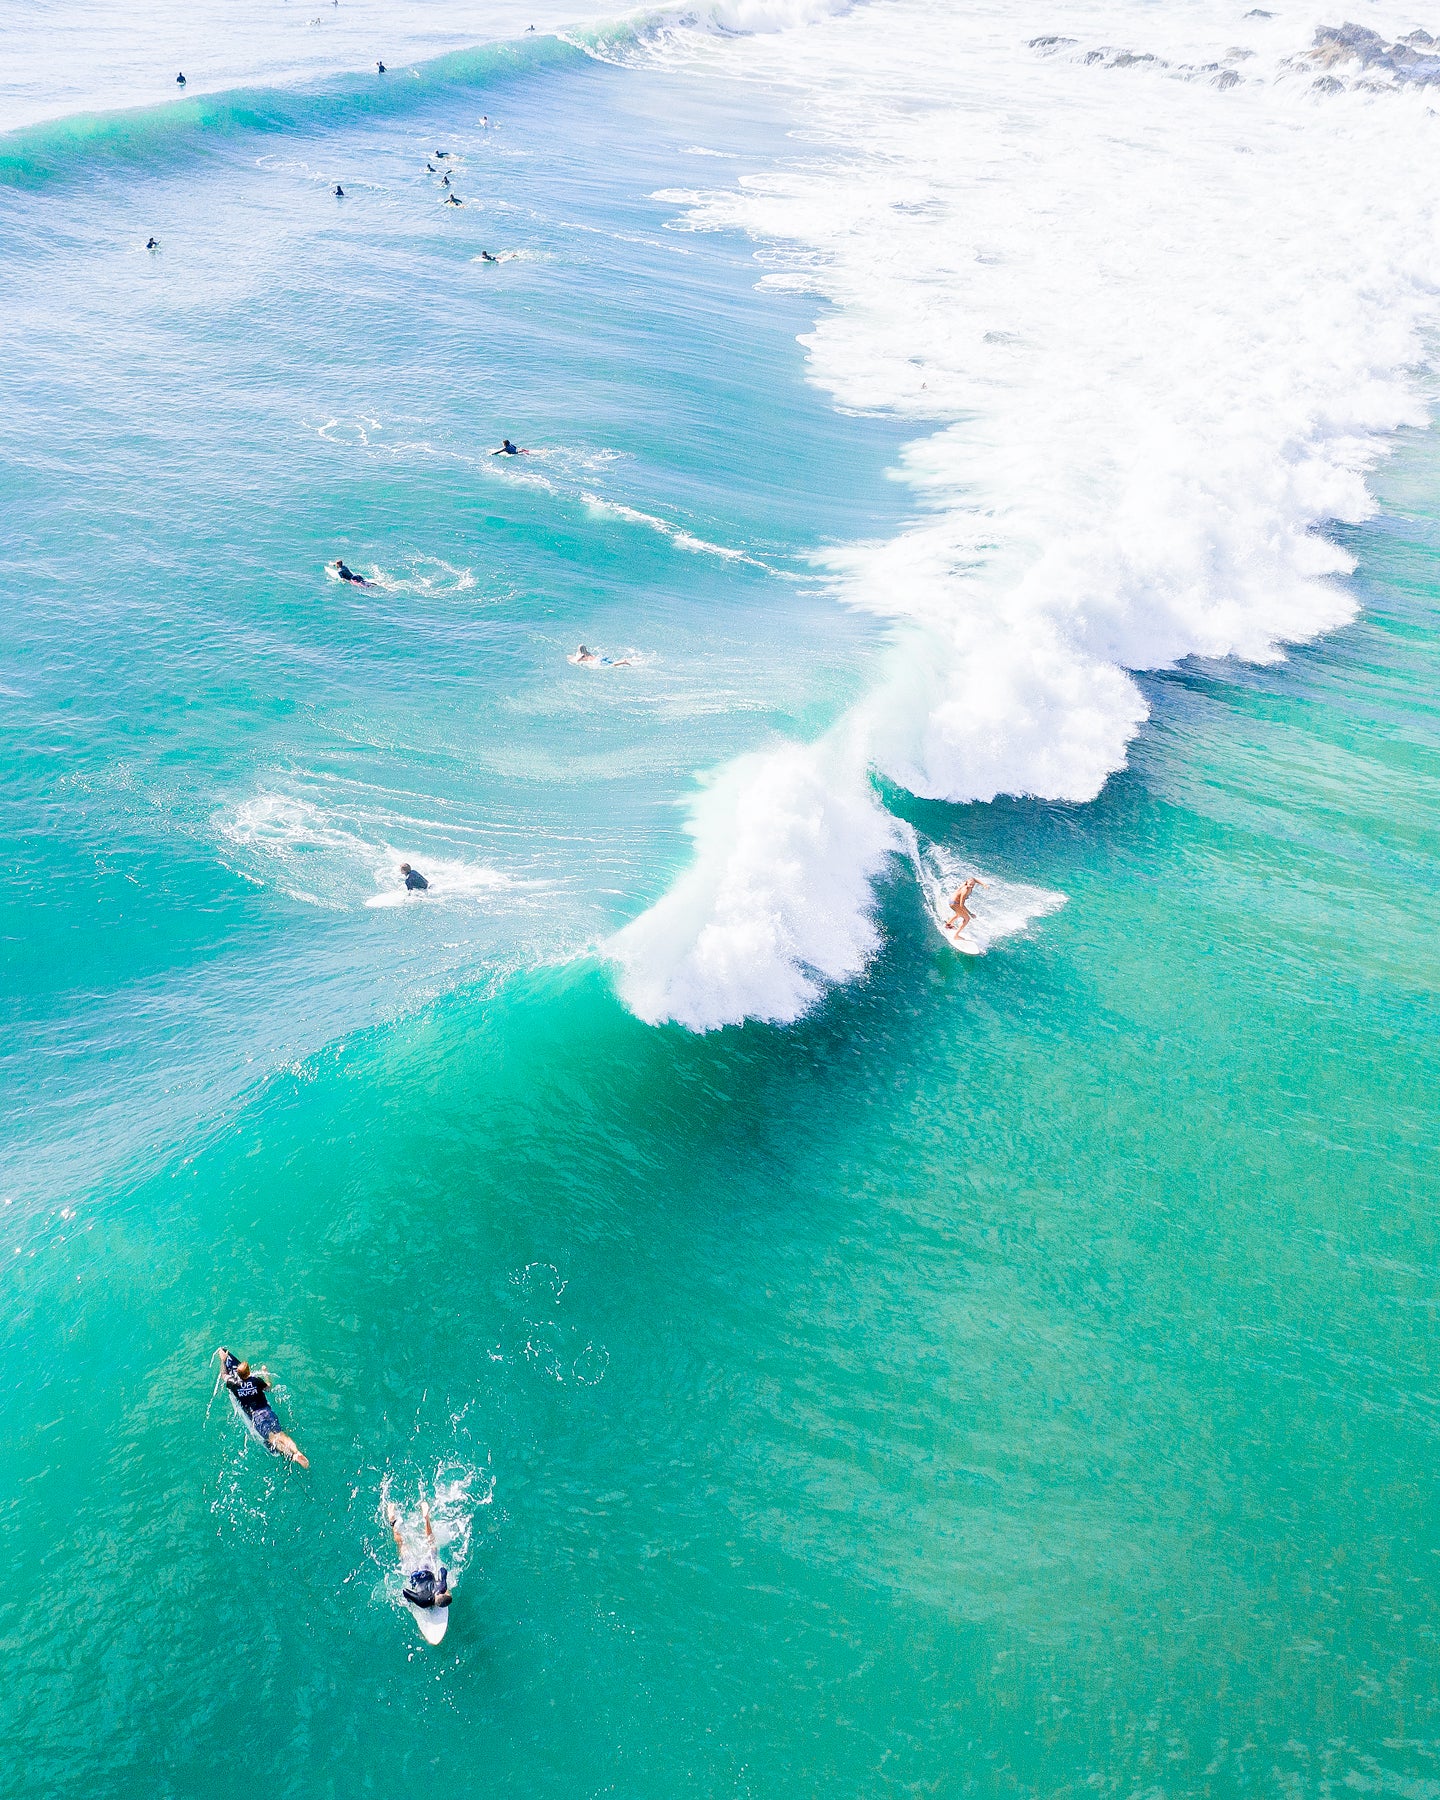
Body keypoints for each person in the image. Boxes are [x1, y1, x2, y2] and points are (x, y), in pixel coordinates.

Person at [217, 1348, 309, 1468]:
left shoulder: (233, 1384)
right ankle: (296, 1452)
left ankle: (291, 1456)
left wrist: (223, 1360)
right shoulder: (256, 1381)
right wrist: (265, 1373)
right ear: (249, 1372)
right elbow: (269, 1388)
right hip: (267, 1411)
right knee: (281, 1434)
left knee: (272, 1439)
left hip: (256, 1416)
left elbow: (224, 1375)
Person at [387, 1501, 452, 1611]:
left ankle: (426, 1519)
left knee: (432, 1545)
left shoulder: (442, 1586)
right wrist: (412, 1600)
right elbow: (405, 1592)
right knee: (402, 1545)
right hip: (413, 1572)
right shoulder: (423, 1601)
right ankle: (393, 1521)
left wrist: (443, 1584)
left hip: (427, 1568)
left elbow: (442, 1570)